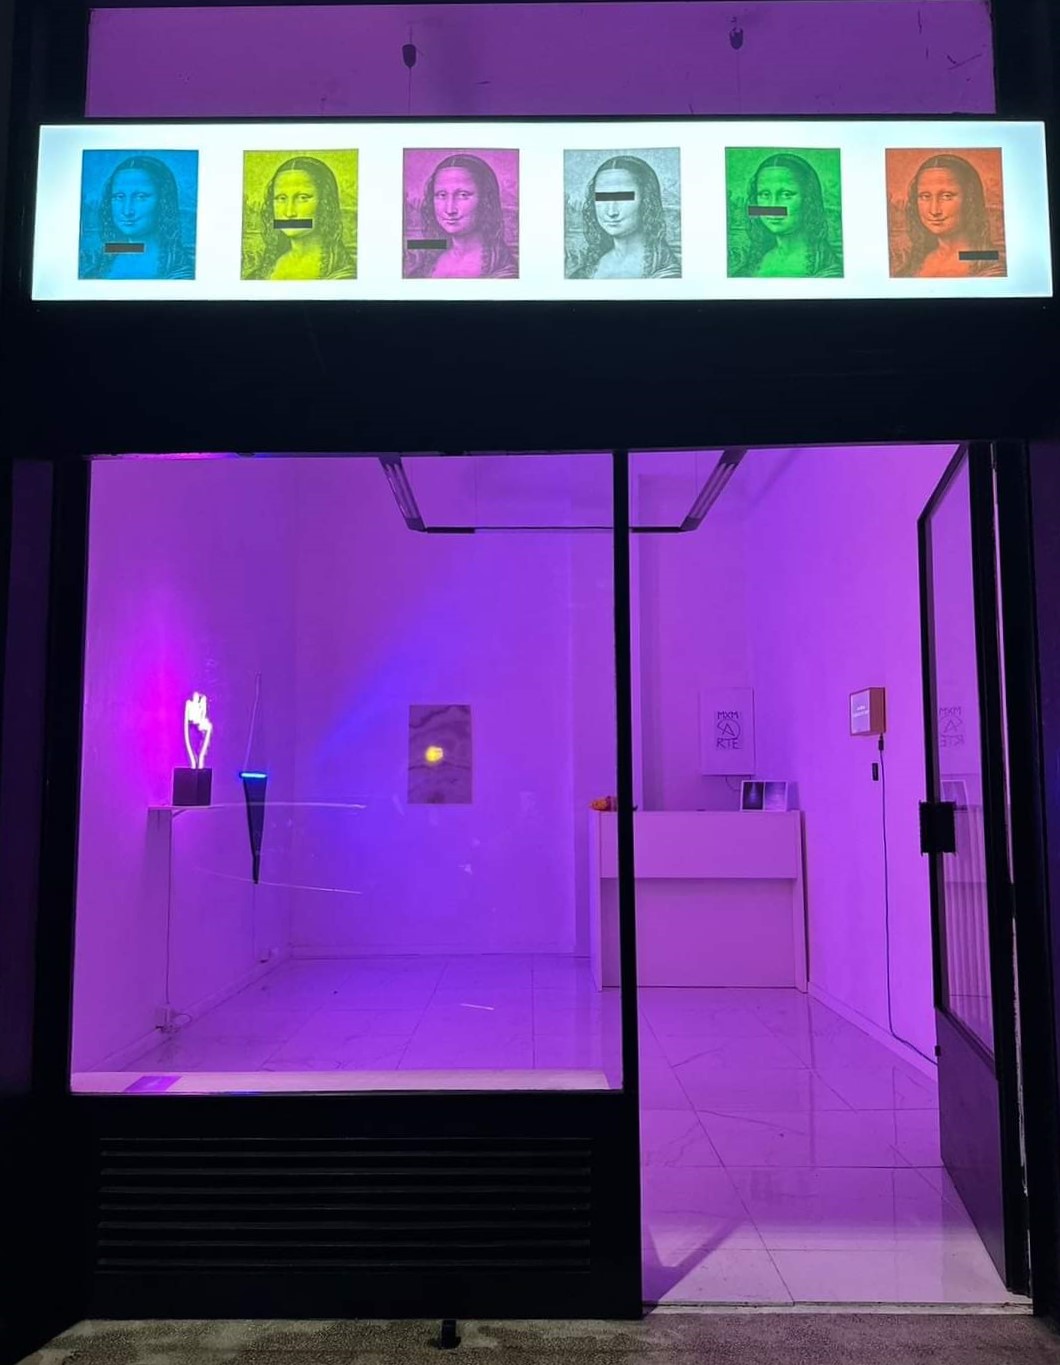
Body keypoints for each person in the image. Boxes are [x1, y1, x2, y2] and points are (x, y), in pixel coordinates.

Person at [82, 154, 194, 280]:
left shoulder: (179, 270)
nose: (127, 211)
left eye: (141, 197)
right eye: (119, 197)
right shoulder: (95, 260)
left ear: (163, 201)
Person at [569, 154, 681, 280]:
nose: (611, 211)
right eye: (602, 197)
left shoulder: (666, 272)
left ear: (646, 201)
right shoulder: (587, 270)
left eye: (624, 197)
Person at [245, 155, 356, 281]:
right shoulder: (264, 271)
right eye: (281, 198)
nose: (289, 212)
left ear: (325, 203)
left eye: (303, 198)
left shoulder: (344, 276)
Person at [407, 153, 517, 279]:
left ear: (485, 200)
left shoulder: (503, 270)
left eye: (463, 195)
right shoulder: (428, 257)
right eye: (442, 195)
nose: (450, 209)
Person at [734, 152, 842, 279]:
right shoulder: (753, 263)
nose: (773, 206)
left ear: (808, 200)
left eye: (786, 194)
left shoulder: (828, 270)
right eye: (764, 194)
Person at [897, 153, 1005, 278]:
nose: (934, 210)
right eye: (925, 196)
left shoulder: (985, 261)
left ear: (970, 199)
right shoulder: (915, 262)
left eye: (946, 196)